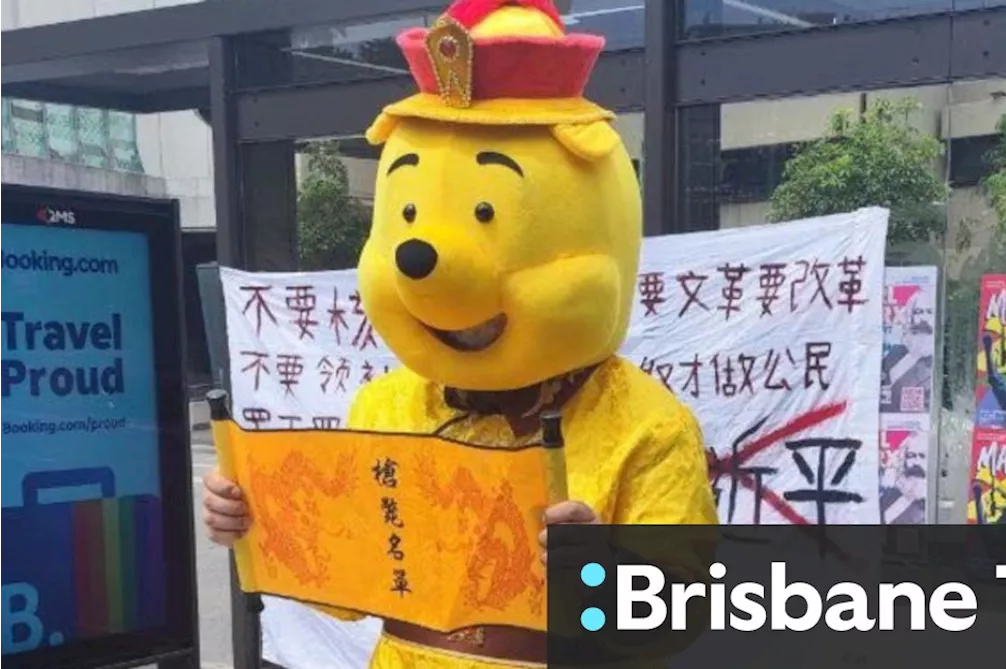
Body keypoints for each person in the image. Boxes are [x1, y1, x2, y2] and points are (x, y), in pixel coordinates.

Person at [203, 1, 718, 667]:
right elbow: (349, 582)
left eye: (485, 213)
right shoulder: (387, 408)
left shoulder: (645, 425)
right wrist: (259, 521)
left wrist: (602, 573)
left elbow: (682, 611)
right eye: (409, 211)